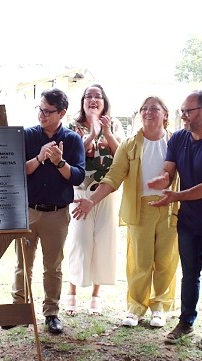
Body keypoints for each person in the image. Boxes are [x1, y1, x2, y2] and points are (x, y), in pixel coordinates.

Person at [73, 96, 179, 328]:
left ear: (165, 114)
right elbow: (113, 177)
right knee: (139, 261)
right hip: (140, 208)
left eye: (154, 108)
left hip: (171, 209)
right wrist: (91, 201)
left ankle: (159, 307)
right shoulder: (129, 144)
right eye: (144, 109)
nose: (148, 112)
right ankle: (135, 308)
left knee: (165, 260)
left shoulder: (176, 141)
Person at [146, 91, 202, 350]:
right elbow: (168, 170)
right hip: (188, 219)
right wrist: (160, 181)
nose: (183, 116)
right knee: (189, 274)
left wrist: (176, 196)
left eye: (188, 111)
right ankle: (185, 322)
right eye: (182, 111)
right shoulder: (179, 138)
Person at [6, 88, 85, 334]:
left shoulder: (72, 140)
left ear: (62, 112)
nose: (42, 115)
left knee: (53, 266)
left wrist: (60, 162)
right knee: (22, 263)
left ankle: (51, 313)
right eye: (40, 109)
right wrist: (40, 158)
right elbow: (18, 170)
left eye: (48, 111)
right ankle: (19, 309)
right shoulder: (28, 136)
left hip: (57, 213)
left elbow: (78, 177)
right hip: (29, 209)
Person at [65, 84, 125, 315]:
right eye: (88, 96)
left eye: (97, 96)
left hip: (106, 192)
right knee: (79, 241)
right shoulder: (73, 126)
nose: (93, 99)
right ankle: (71, 292)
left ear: (104, 101)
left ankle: (96, 296)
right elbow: (73, 155)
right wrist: (91, 133)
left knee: (103, 240)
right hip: (80, 191)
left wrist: (107, 132)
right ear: (82, 102)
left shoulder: (115, 123)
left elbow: (121, 155)